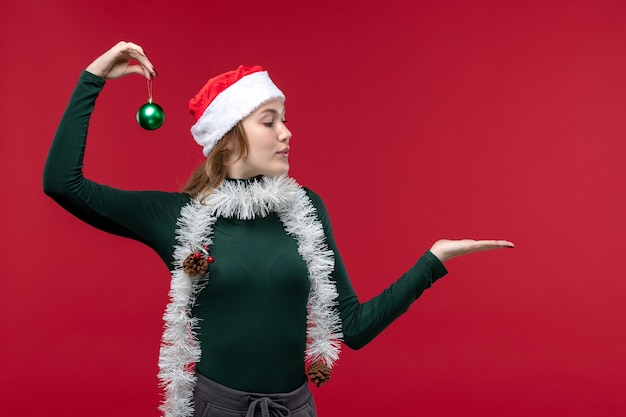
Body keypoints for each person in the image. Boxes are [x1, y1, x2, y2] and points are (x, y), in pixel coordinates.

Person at [43, 41, 514, 417]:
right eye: (269, 121)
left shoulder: (305, 209)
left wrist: (433, 261)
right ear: (228, 141)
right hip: (214, 410)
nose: (287, 132)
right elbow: (62, 184)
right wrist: (93, 78)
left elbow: (351, 328)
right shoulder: (179, 218)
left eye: (284, 120)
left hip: (295, 409)